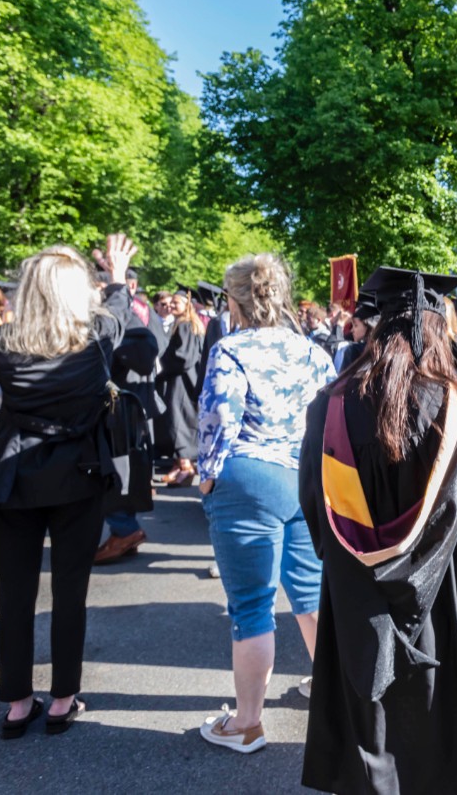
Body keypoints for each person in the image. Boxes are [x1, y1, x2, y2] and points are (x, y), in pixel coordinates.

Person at [298, 267, 457, 795]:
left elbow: (315, 504)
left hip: (358, 591)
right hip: (449, 588)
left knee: (372, 718)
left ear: (376, 328)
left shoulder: (332, 404)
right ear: (438, 332)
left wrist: (352, 555)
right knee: (449, 715)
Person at [0, 235, 139, 737]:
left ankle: (18, 702)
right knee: (71, 591)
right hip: (78, 474)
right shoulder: (94, 339)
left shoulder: (2, 341)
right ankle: (64, 697)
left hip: (13, 476)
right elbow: (118, 311)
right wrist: (116, 274)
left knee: (14, 595)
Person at [193, 253, 335, 753]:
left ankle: (247, 723)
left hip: (249, 477)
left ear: (234, 302)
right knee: (311, 594)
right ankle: (335, 693)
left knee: (252, 606)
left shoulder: (230, 349)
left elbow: (218, 419)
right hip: (303, 476)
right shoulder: (313, 351)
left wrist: (207, 478)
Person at [156, 287, 204, 486]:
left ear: (187, 305)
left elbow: (182, 357)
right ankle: (179, 463)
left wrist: (161, 365)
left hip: (181, 382)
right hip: (187, 380)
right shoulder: (190, 324)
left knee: (179, 421)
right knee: (179, 420)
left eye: (176, 302)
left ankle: (186, 466)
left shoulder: (185, 325)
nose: (171, 305)